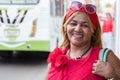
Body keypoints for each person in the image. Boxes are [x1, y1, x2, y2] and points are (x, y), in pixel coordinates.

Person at [46, 1, 120, 80]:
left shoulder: (106, 56)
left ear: (93, 30)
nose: (78, 29)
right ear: (65, 27)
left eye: (85, 25)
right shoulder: (56, 57)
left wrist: (112, 75)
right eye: (73, 24)